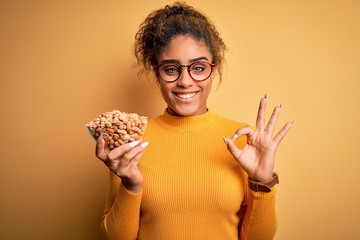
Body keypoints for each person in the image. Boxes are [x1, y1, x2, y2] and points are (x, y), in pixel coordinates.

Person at [95, 2, 293, 240]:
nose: (185, 81)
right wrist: (130, 185)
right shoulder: (132, 142)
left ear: (213, 70)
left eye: (198, 68)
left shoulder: (244, 141)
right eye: (171, 69)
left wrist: (263, 182)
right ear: (156, 72)